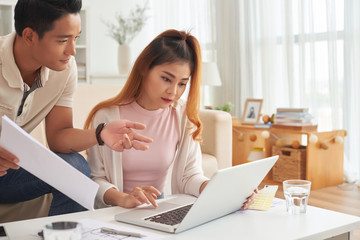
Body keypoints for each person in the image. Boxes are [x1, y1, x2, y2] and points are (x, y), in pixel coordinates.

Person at [0, 0, 151, 216]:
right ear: (30, 36)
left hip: (10, 172)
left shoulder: (64, 69)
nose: (72, 51)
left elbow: (58, 137)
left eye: (76, 38)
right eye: (63, 40)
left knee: (76, 167)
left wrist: (100, 134)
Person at [84, 29, 257, 209]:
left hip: (159, 211)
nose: (173, 92)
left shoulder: (182, 115)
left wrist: (219, 189)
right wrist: (123, 199)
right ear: (144, 68)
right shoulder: (107, 116)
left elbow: (189, 175)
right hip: (116, 213)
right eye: (166, 78)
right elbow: (96, 178)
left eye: (182, 83)